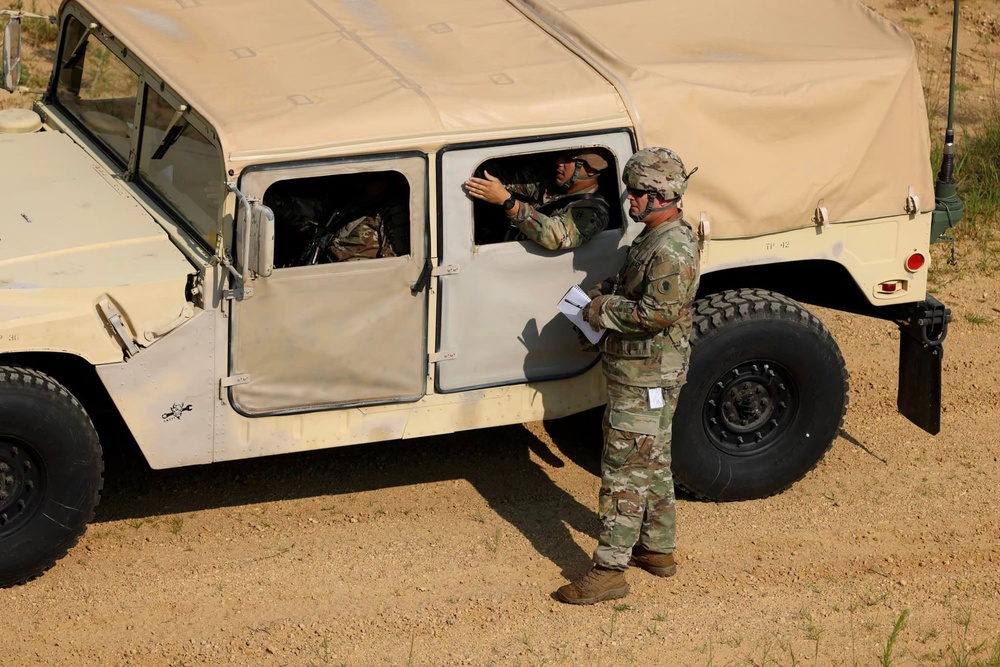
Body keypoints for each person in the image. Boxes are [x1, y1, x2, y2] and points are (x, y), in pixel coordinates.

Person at [556, 147, 701, 605]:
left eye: (637, 193)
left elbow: (657, 312)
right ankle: (657, 549)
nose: (629, 201)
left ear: (660, 195)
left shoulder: (672, 247)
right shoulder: (653, 236)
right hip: (643, 372)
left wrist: (600, 310)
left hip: (648, 377)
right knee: (651, 458)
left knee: (624, 469)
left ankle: (609, 570)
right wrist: (603, 295)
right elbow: (633, 288)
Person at [463, 150, 611, 250]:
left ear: (591, 170)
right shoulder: (550, 186)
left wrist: (509, 202)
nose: (559, 162)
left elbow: (556, 236)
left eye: (568, 160)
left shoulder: (594, 210)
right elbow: (512, 180)